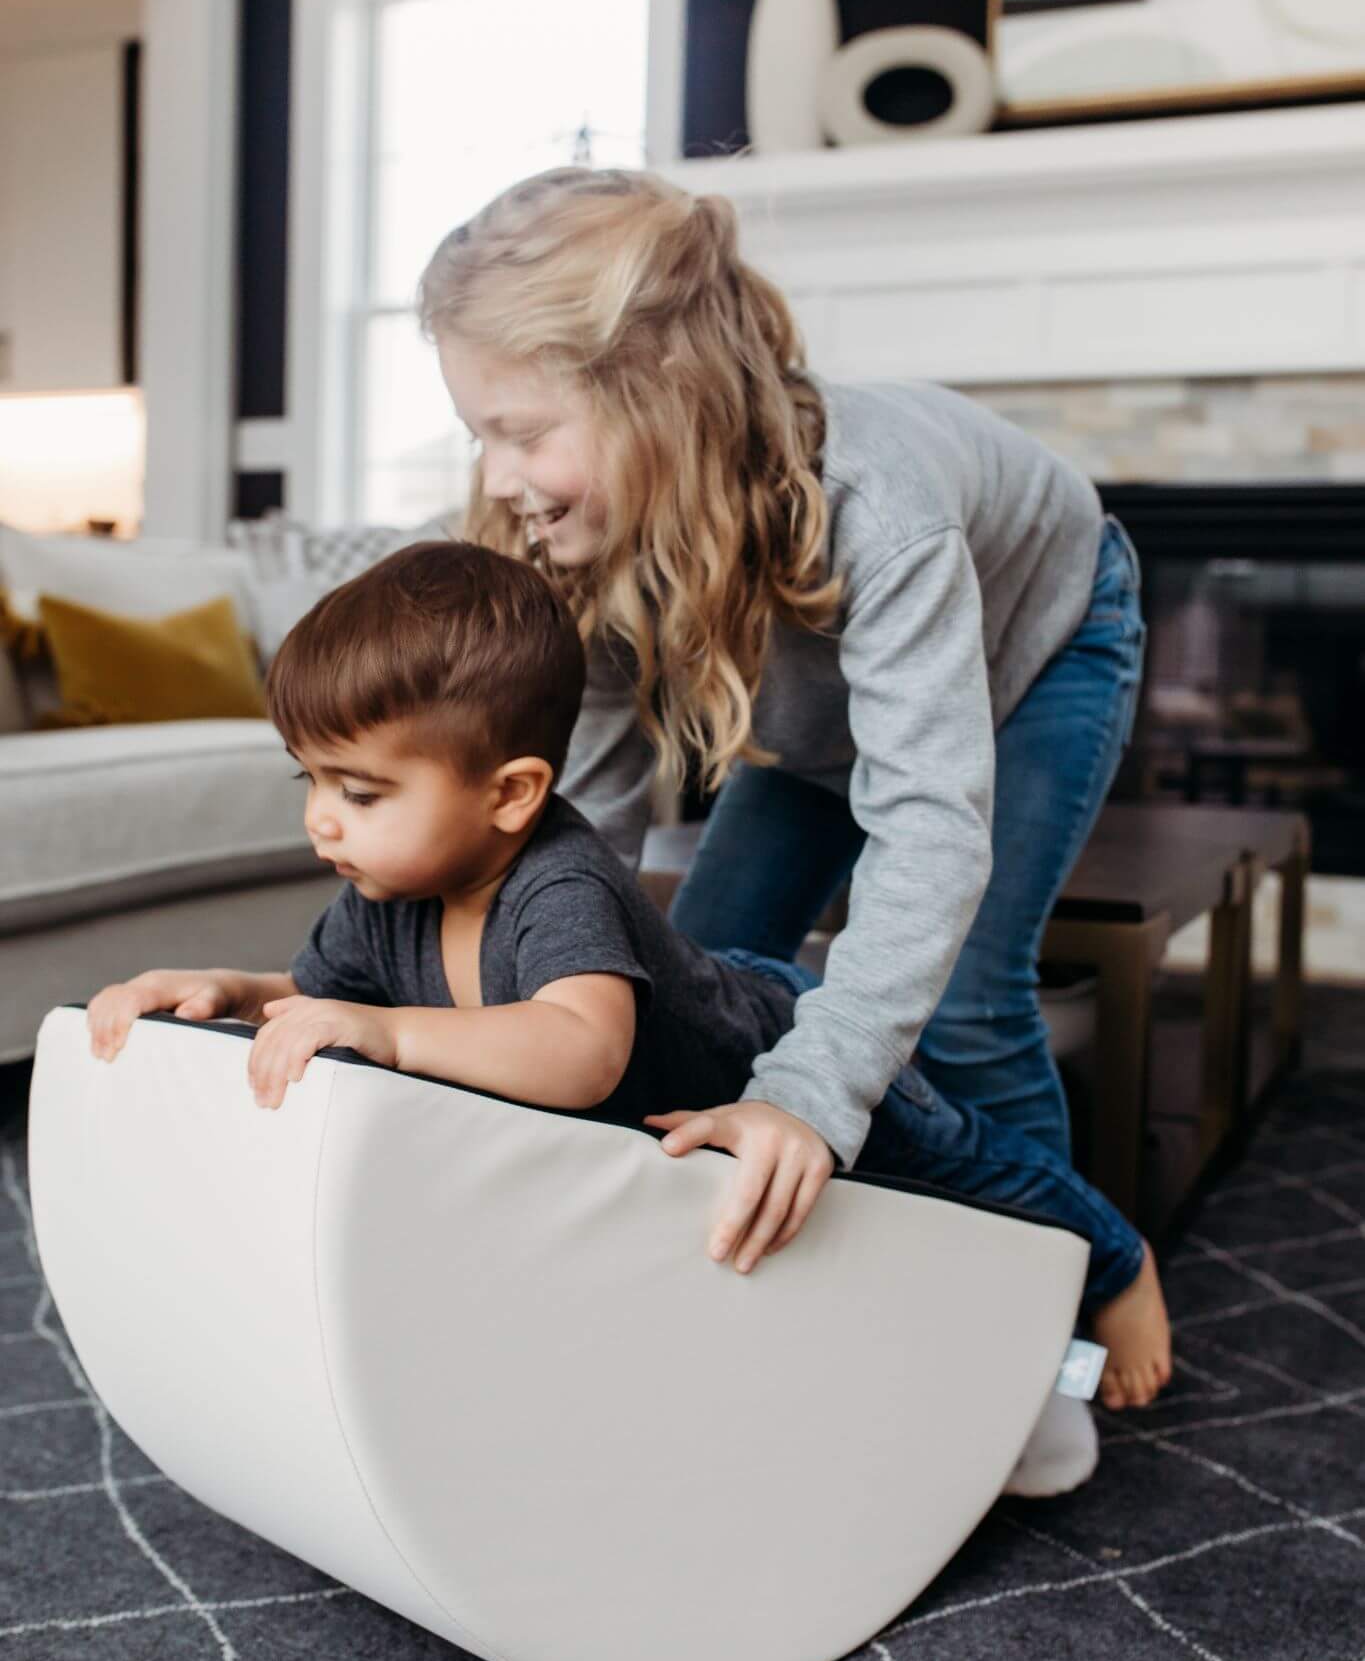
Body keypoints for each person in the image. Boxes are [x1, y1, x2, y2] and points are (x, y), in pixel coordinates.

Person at [85, 542, 1171, 1412]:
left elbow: (580, 1045)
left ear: (511, 793)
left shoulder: (561, 884)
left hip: (764, 1036)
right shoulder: (377, 897)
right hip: (676, 1076)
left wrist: (398, 1036)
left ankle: (1119, 1264)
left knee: (949, 1157)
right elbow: (326, 1003)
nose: (321, 817)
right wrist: (232, 989)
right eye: (310, 779)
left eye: (361, 791)